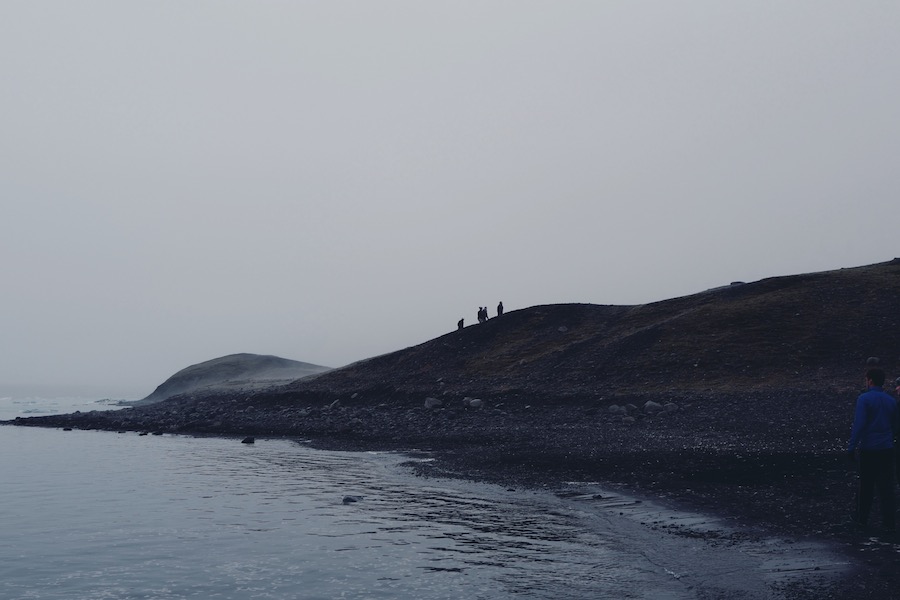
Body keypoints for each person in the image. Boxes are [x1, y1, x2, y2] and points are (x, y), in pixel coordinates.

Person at [847, 368, 898, 532]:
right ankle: (889, 521)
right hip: (887, 448)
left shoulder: (864, 399)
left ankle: (862, 519)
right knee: (886, 487)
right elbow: (894, 425)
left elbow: (859, 424)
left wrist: (851, 446)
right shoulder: (891, 401)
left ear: (869, 380)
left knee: (866, 485)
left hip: (869, 448)